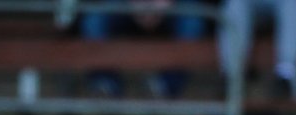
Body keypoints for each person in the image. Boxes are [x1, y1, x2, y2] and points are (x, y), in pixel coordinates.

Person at [78, 0, 212, 100]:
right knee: (94, 20)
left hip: (173, 5)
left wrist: (163, 4)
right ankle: (106, 84)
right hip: (126, 5)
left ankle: (165, 86)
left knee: (193, 20)